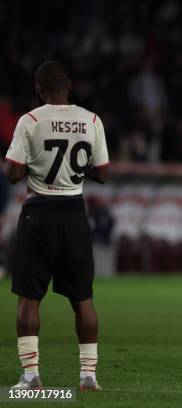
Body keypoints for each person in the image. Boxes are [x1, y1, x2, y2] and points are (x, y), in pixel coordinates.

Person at [6, 61, 109, 391]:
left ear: (38, 89)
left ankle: (31, 376)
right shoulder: (91, 120)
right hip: (74, 213)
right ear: (70, 86)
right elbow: (103, 173)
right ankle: (89, 376)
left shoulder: (30, 120)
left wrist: (37, 164)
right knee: (83, 299)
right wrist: (76, 168)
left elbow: (12, 174)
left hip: (38, 213)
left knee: (29, 299)